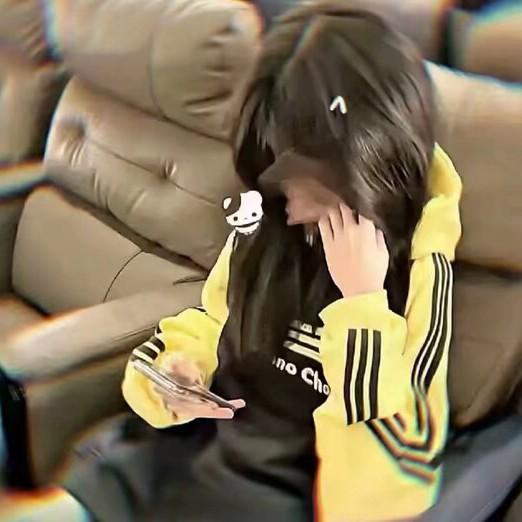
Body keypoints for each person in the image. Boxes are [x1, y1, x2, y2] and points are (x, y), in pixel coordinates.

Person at [5, 1, 462, 521]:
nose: (290, 205)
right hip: (187, 452)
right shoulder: (270, 220)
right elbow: (210, 319)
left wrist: (363, 308)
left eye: (308, 185)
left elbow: (386, 486)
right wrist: (177, 370)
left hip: (284, 494)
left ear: (365, 163)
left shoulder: (419, 270)